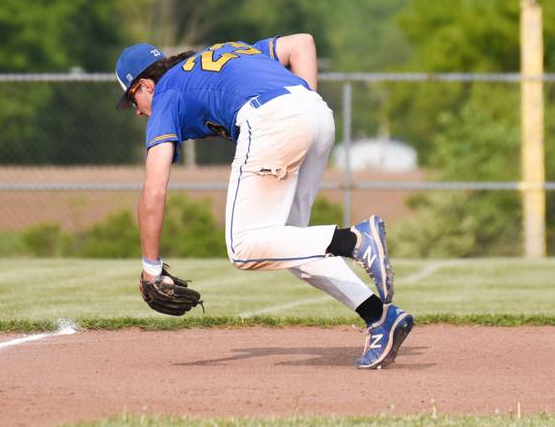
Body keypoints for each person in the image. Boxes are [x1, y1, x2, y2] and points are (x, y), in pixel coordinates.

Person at [114, 34, 414, 369]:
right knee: (291, 243)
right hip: (314, 111)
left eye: (131, 100)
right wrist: (303, 109)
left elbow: (154, 189)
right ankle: (380, 318)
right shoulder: (218, 57)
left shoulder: (167, 91)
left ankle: (354, 239)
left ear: (145, 85)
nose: (137, 112)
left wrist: (151, 268)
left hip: (273, 120)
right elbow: (302, 43)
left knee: (243, 246)